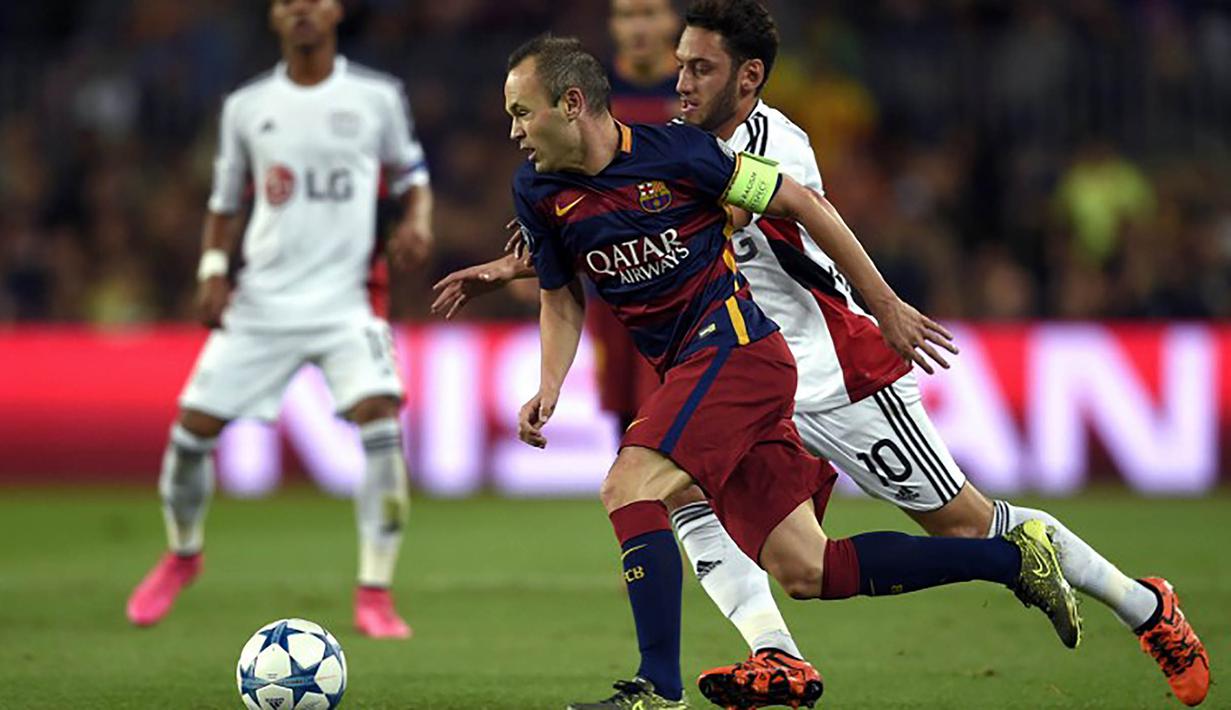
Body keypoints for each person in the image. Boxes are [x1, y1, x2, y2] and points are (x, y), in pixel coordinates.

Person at [437, 3, 1211, 707]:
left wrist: (887, 307)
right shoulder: (668, 153)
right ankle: (772, 657)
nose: (679, 81)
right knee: (707, 513)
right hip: (729, 368)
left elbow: (754, 218)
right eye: (677, 64)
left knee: (967, 523)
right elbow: (636, 225)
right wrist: (542, 257)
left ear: (747, 78)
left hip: (828, 372)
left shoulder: (771, 146)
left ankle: (1144, 605)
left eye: (698, 69)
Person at [125, 0, 433, 640]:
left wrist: (418, 221)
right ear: (273, 16)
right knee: (190, 432)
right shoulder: (247, 106)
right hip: (262, 301)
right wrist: (213, 268)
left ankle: (374, 591)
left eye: (314, 0)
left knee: (381, 419)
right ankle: (183, 554)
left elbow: (413, 175)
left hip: (347, 299)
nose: (301, 10)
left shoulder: (376, 98)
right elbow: (223, 201)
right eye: (289, 1)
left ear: (336, 12)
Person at [590, 0, 684, 437]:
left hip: (686, 281)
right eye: (626, 15)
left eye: (648, 13)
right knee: (627, 417)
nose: (638, 27)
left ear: (673, 20)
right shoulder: (590, 96)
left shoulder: (694, 89)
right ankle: (640, 505)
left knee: (678, 410)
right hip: (610, 279)